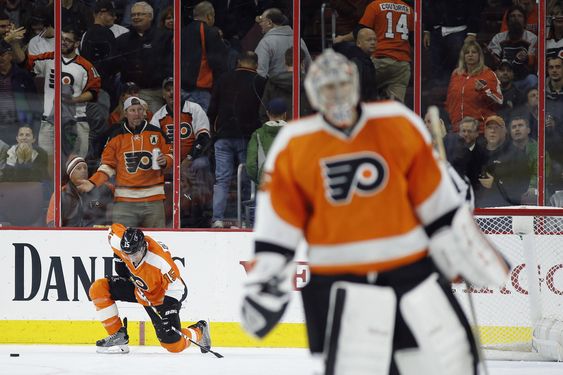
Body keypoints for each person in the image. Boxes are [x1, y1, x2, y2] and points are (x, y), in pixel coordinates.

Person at [241, 49, 508, 375]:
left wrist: (462, 242)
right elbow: (277, 225)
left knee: (452, 363)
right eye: (327, 89)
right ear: (313, 94)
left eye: (341, 86)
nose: (336, 96)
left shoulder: (396, 122)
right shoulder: (295, 143)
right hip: (341, 280)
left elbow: (436, 202)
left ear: (354, 84)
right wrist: (267, 280)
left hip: (411, 271)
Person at [89, 223, 211, 354]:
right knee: (98, 288)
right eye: (127, 254)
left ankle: (200, 330)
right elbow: (113, 228)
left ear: (143, 247)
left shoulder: (159, 261)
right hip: (139, 288)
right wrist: (118, 257)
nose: (131, 258)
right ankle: (118, 337)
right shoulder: (119, 242)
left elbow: (177, 287)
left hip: (161, 296)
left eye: (134, 254)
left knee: (173, 344)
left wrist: (170, 312)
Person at [75, 96, 172, 228]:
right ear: (125, 113)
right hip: (125, 201)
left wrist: (165, 160)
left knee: (157, 241)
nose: (137, 113)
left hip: (153, 200)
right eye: (132, 110)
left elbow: (172, 155)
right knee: (120, 240)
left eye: (140, 110)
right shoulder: (115, 136)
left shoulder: (158, 133)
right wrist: (92, 182)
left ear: (144, 112)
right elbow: (108, 166)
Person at [207, 51, 266, 228]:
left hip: (223, 136)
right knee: (248, 179)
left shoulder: (223, 79)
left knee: (222, 180)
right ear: (256, 64)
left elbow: (212, 109)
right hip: (247, 138)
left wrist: (216, 131)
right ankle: (249, 221)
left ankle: (217, 219)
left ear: (238, 61)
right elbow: (263, 112)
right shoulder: (260, 82)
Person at [27, 27, 101, 164]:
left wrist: (75, 100)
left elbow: (94, 90)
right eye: (61, 39)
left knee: (76, 163)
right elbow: (25, 62)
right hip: (49, 121)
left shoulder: (86, 66)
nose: (63, 42)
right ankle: (50, 187)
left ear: (77, 43)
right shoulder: (50, 57)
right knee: (47, 162)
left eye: (68, 40)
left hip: (77, 120)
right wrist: (14, 44)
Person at [334, 0, 414, 103]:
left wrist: (342, 38)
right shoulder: (409, 9)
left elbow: (360, 31)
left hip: (380, 61)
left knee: (359, 92)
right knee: (395, 106)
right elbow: (413, 38)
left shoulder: (376, 5)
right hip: (402, 65)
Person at [112, 1, 172, 113]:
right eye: (133, 15)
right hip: (129, 93)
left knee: (154, 126)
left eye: (140, 14)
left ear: (150, 16)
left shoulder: (164, 37)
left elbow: (169, 64)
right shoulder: (122, 40)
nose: (136, 17)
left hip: (154, 93)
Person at [422, 0, 485, 85]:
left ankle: (453, 92)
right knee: (436, 70)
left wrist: (472, 33)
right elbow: (429, 5)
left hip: (458, 30)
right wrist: (427, 30)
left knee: (454, 69)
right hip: (436, 31)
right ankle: (438, 92)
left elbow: (475, 6)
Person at [445, 40, 503, 133]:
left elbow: (499, 100)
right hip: (457, 129)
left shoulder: (488, 74)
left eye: (474, 52)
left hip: (480, 130)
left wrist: (484, 90)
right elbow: (449, 101)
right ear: (463, 56)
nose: (470, 55)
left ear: (479, 55)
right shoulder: (456, 74)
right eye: (467, 52)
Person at [180, 1, 227, 112]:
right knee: (201, 124)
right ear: (209, 16)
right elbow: (217, 62)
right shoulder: (211, 32)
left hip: (181, 87)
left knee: (185, 124)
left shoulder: (182, 31)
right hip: (201, 88)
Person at [475, 115, 530, 208]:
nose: (492, 131)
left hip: (505, 212)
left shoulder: (515, 154)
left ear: (504, 132)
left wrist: (494, 184)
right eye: (489, 128)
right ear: (484, 132)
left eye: (496, 128)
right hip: (479, 211)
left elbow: (522, 185)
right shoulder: (476, 153)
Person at [46, 155, 113, 227]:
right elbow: (52, 222)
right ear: (70, 174)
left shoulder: (102, 189)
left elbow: (111, 216)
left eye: (85, 168)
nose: (83, 171)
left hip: (96, 235)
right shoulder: (61, 194)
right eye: (78, 168)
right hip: (70, 236)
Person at [487, 5, 538, 92]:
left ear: (525, 21)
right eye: (512, 16)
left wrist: (526, 58)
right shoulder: (498, 38)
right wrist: (492, 57)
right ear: (507, 21)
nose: (516, 18)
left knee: (532, 79)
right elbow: (494, 61)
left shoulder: (532, 38)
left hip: (522, 79)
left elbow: (531, 63)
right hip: (503, 79)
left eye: (519, 16)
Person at [258, 47, 313, 124]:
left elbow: (263, 112)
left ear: (285, 62)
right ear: (303, 63)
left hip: (279, 131)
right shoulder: (311, 84)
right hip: (304, 131)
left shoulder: (272, 83)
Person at [254, 7, 312, 78]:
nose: (260, 24)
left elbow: (259, 73)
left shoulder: (266, 43)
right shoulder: (299, 40)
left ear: (269, 23)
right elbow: (309, 68)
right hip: (297, 87)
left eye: (262, 21)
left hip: (276, 87)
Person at [246, 97, 287, 186]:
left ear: (268, 113)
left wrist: (259, 180)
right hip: (288, 183)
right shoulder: (294, 133)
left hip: (266, 183)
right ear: (285, 115)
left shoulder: (257, 134)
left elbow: (250, 165)